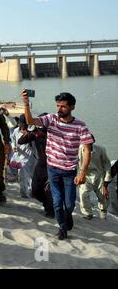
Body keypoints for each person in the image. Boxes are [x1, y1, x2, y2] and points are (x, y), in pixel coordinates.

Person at [21, 90, 93, 240]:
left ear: (72, 107)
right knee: (57, 202)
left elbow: (87, 150)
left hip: (70, 171)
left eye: (63, 106)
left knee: (70, 203)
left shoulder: (81, 126)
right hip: (52, 168)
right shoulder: (51, 119)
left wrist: (83, 173)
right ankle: (62, 228)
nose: (59, 109)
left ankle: (68, 216)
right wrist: (26, 104)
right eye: (58, 106)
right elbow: (30, 121)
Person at [18, 120, 54, 218]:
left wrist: (44, 135)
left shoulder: (53, 136)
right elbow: (20, 141)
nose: (37, 132)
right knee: (36, 190)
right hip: (40, 164)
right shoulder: (34, 134)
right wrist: (29, 132)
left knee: (49, 190)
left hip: (52, 165)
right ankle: (48, 203)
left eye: (40, 129)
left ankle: (49, 210)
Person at [78, 136, 112, 220]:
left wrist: (106, 184)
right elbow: (75, 163)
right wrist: (77, 177)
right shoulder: (79, 149)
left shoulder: (101, 149)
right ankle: (87, 213)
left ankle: (103, 211)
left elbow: (107, 165)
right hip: (85, 174)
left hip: (99, 174)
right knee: (83, 194)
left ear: (93, 141)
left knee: (103, 195)